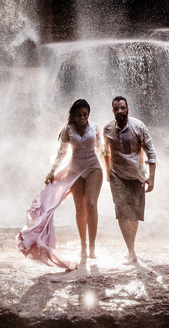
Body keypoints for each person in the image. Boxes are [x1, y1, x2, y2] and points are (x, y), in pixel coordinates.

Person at [16, 99, 104, 270]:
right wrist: (52, 172)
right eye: (78, 115)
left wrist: (110, 170)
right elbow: (61, 153)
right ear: (73, 115)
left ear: (88, 114)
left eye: (85, 114)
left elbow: (102, 149)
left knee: (91, 204)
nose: (82, 118)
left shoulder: (95, 127)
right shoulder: (67, 130)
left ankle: (92, 246)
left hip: (94, 168)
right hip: (75, 171)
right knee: (80, 208)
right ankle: (83, 246)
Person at [103, 95, 156, 265]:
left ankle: (131, 248)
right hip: (117, 175)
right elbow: (105, 152)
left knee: (133, 215)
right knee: (121, 211)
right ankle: (131, 251)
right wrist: (107, 172)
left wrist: (151, 178)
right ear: (113, 111)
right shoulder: (107, 129)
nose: (119, 111)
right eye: (116, 108)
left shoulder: (138, 127)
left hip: (137, 176)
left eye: (122, 108)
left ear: (127, 109)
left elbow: (151, 153)